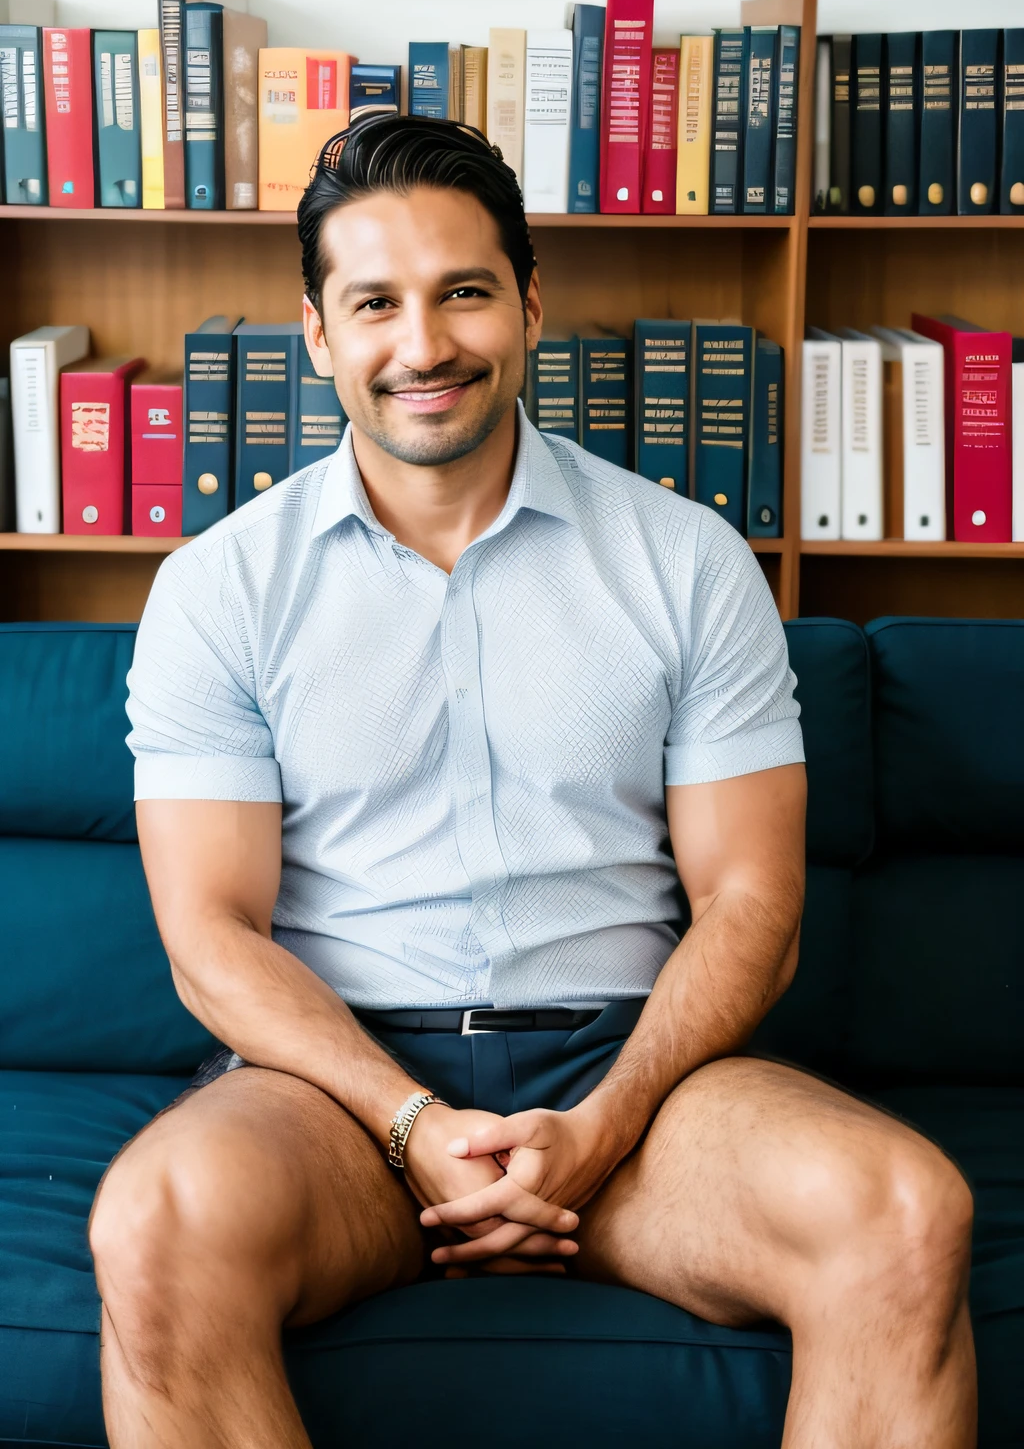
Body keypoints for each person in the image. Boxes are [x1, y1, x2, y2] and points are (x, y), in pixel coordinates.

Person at [88, 114, 976, 1449]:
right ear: (320, 335)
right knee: (153, 1221)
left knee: (904, 1209)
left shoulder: (686, 560)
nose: (424, 345)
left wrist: (604, 1127)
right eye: (375, 303)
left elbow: (754, 901)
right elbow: (210, 938)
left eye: (463, 293)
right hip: (342, 1094)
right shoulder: (219, 589)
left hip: (642, 1079)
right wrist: (410, 1124)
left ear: (529, 304)